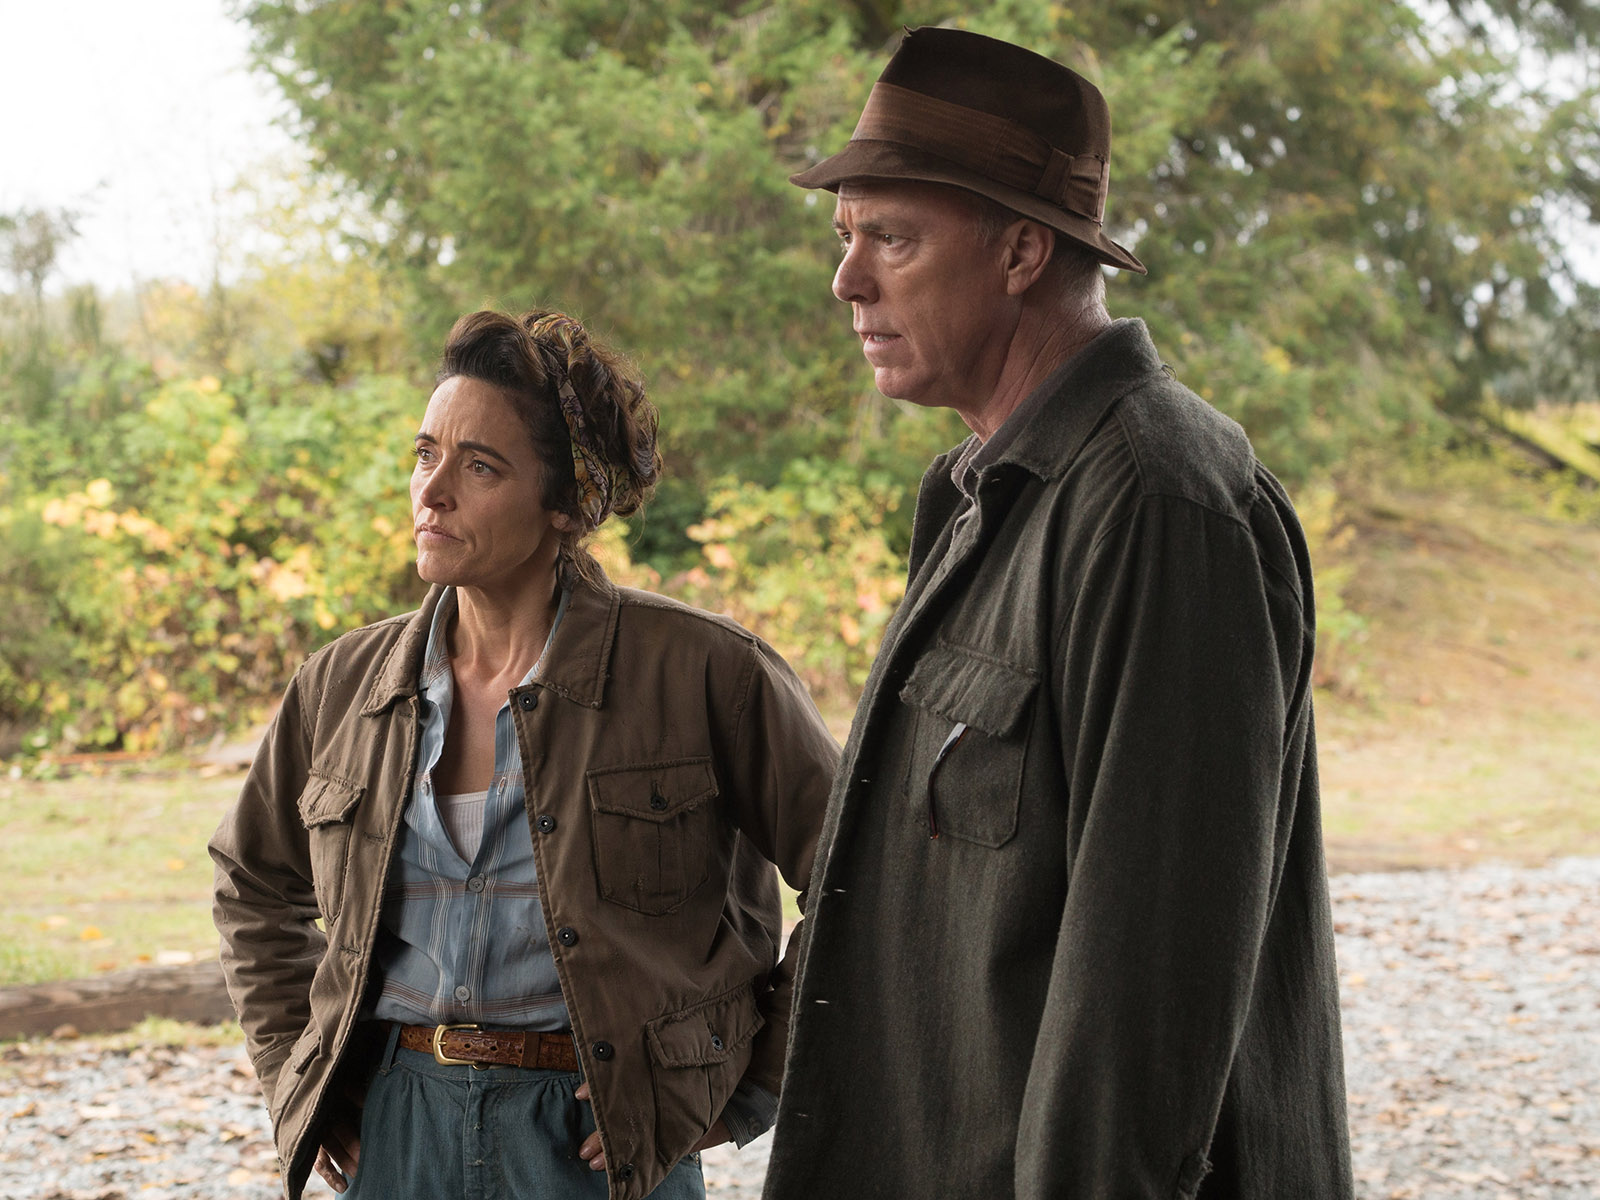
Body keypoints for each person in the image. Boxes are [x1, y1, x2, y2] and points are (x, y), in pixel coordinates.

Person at [761, 27, 1354, 1200]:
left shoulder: (1159, 505)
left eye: (892, 238)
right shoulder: (980, 490)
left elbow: (1146, 991)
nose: (848, 281)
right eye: (845, 238)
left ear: (1024, 249)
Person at [210, 309, 838, 1200]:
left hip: (594, 1136)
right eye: (426, 454)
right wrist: (300, 1080)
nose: (432, 492)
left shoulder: (706, 673)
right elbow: (251, 883)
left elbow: (861, 876)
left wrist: (741, 1089)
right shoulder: (342, 683)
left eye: (479, 467)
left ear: (567, 503)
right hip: (398, 1125)